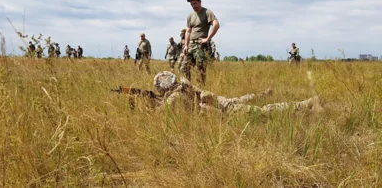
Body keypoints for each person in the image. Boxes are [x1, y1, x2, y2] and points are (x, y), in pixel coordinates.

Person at [118, 71, 323, 115]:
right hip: (220, 103)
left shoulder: (175, 97)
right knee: (239, 100)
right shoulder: (184, 84)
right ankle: (264, 92)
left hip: (222, 113)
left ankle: (306, 104)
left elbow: (162, 114)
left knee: (262, 113)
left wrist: (139, 103)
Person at [181, 0, 220, 85]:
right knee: (184, 67)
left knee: (200, 69)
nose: (193, 6)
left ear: (200, 2)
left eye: (195, 3)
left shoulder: (207, 12)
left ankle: (201, 91)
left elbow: (216, 25)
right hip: (191, 45)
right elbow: (188, 31)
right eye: (191, 4)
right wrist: (186, 45)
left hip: (200, 45)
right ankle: (188, 87)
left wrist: (207, 39)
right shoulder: (190, 16)